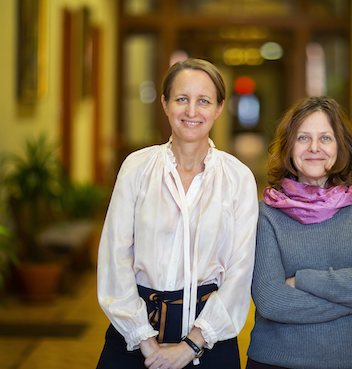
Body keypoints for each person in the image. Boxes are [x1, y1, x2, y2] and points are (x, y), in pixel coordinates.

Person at [96, 58, 259, 369]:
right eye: (182, 99)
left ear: (219, 108)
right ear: (165, 103)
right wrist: (144, 339)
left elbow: (240, 271)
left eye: (204, 101)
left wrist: (191, 344)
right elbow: (114, 258)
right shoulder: (136, 168)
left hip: (210, 338)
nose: (192, 111)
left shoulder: (238, 178)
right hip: (133, 333)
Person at [246, 96, 352, 369]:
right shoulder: (267, 213)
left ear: (341, 146)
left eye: (326, 138)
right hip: (279, 361)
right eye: (303, 138)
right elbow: (270, 300)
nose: (314, 148)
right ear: (289, 147)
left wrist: (301, 280)